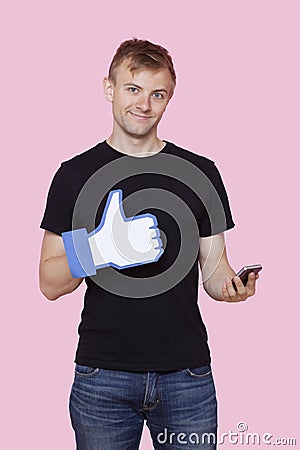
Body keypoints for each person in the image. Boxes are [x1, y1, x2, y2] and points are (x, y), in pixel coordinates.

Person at [39, 38, 259, 450]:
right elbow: (50, 283)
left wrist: (233, 288)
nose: (144, 104)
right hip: (102, 376)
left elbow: (214, 271)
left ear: (169, 99)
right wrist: (100, 249)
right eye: (132, 89)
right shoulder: (75, 175)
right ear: (109, 88)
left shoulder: (200, 172)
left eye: (157, 94)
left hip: (186, 376)